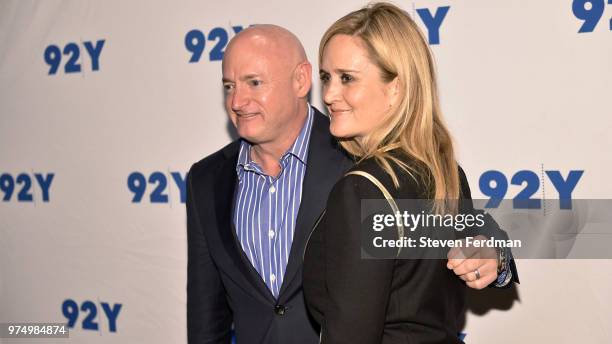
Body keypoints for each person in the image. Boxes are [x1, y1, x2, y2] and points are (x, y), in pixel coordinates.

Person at [187, 23, 517, 344]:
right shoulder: (207, 180)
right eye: (228, 86)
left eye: (254, 82)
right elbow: (207, 316)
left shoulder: (365, 161)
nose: (237, 101)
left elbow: (471, 235)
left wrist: (495, 257)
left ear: (300, 80)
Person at [302, 3, 516, 344]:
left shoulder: (362, 189)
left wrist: (498, 257)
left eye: (347, 78)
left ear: (395, 89)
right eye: (326, 77)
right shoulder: (444, 171)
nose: (328, 94)